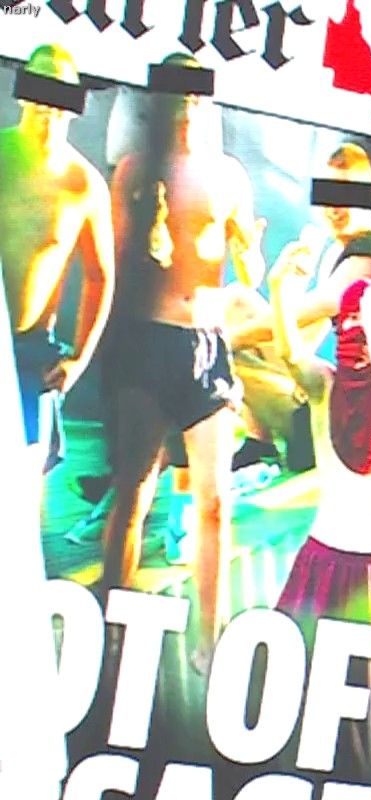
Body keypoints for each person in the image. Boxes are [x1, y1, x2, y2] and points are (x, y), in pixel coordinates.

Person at [98, 53, 262, 669]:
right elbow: (112, 269)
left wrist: (250, 250)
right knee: (134, 490)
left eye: (196, 97)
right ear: (161, 105)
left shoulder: (227, 175)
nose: (188, 107)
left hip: (207, 344)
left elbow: (250, 267)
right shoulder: (135, 170)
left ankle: (208, 634)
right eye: (178, 97)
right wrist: (147, 247)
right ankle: (110, 621)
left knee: (215, 500)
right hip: (147, 341)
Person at [261, 142, 371, 775]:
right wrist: (281, 285)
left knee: (350, 730)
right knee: (279, 700)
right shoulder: (328, 382)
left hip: (369, 576)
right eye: (347, 313)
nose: (352, 325)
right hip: (318, 562)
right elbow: (288, 352)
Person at [0, 44, 115, 484]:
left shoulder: (84, 185)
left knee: (22, 482)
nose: (47, 104)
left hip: (31, 353)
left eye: (59, 92)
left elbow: (99, 276)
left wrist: (79, 359)